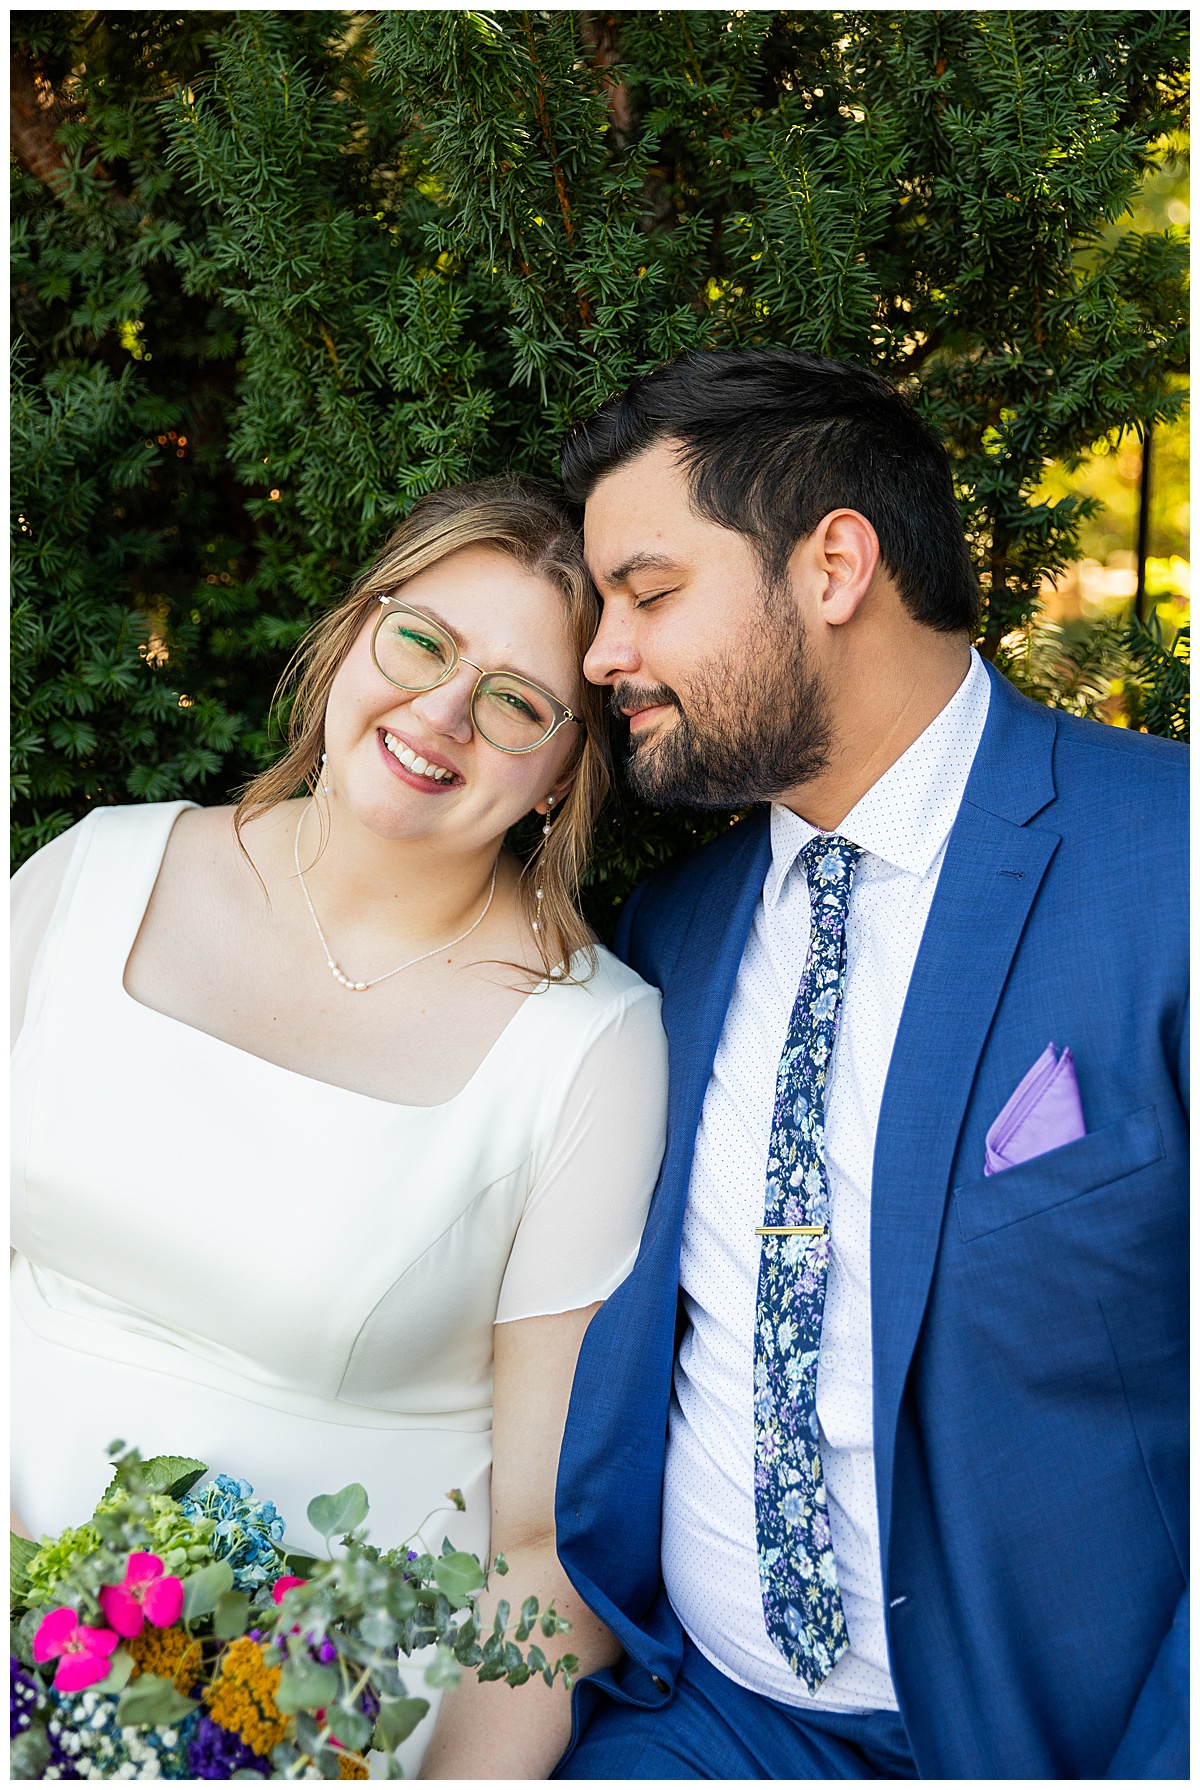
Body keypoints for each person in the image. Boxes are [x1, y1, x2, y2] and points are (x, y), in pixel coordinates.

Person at [550, 349, 1188, 1780]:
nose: (602, 656)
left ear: (834, 563)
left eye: (649, 593)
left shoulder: (1173, 863)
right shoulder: (677, 929)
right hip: (698, 1726)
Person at [11, 477, 666, 1777]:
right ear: (352, 634)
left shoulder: (587, 1046)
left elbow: (545, 1556)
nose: (440, 713)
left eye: (516, 701)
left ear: (561, 775)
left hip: (297, 1726)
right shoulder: (93, 871)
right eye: (421, 640)